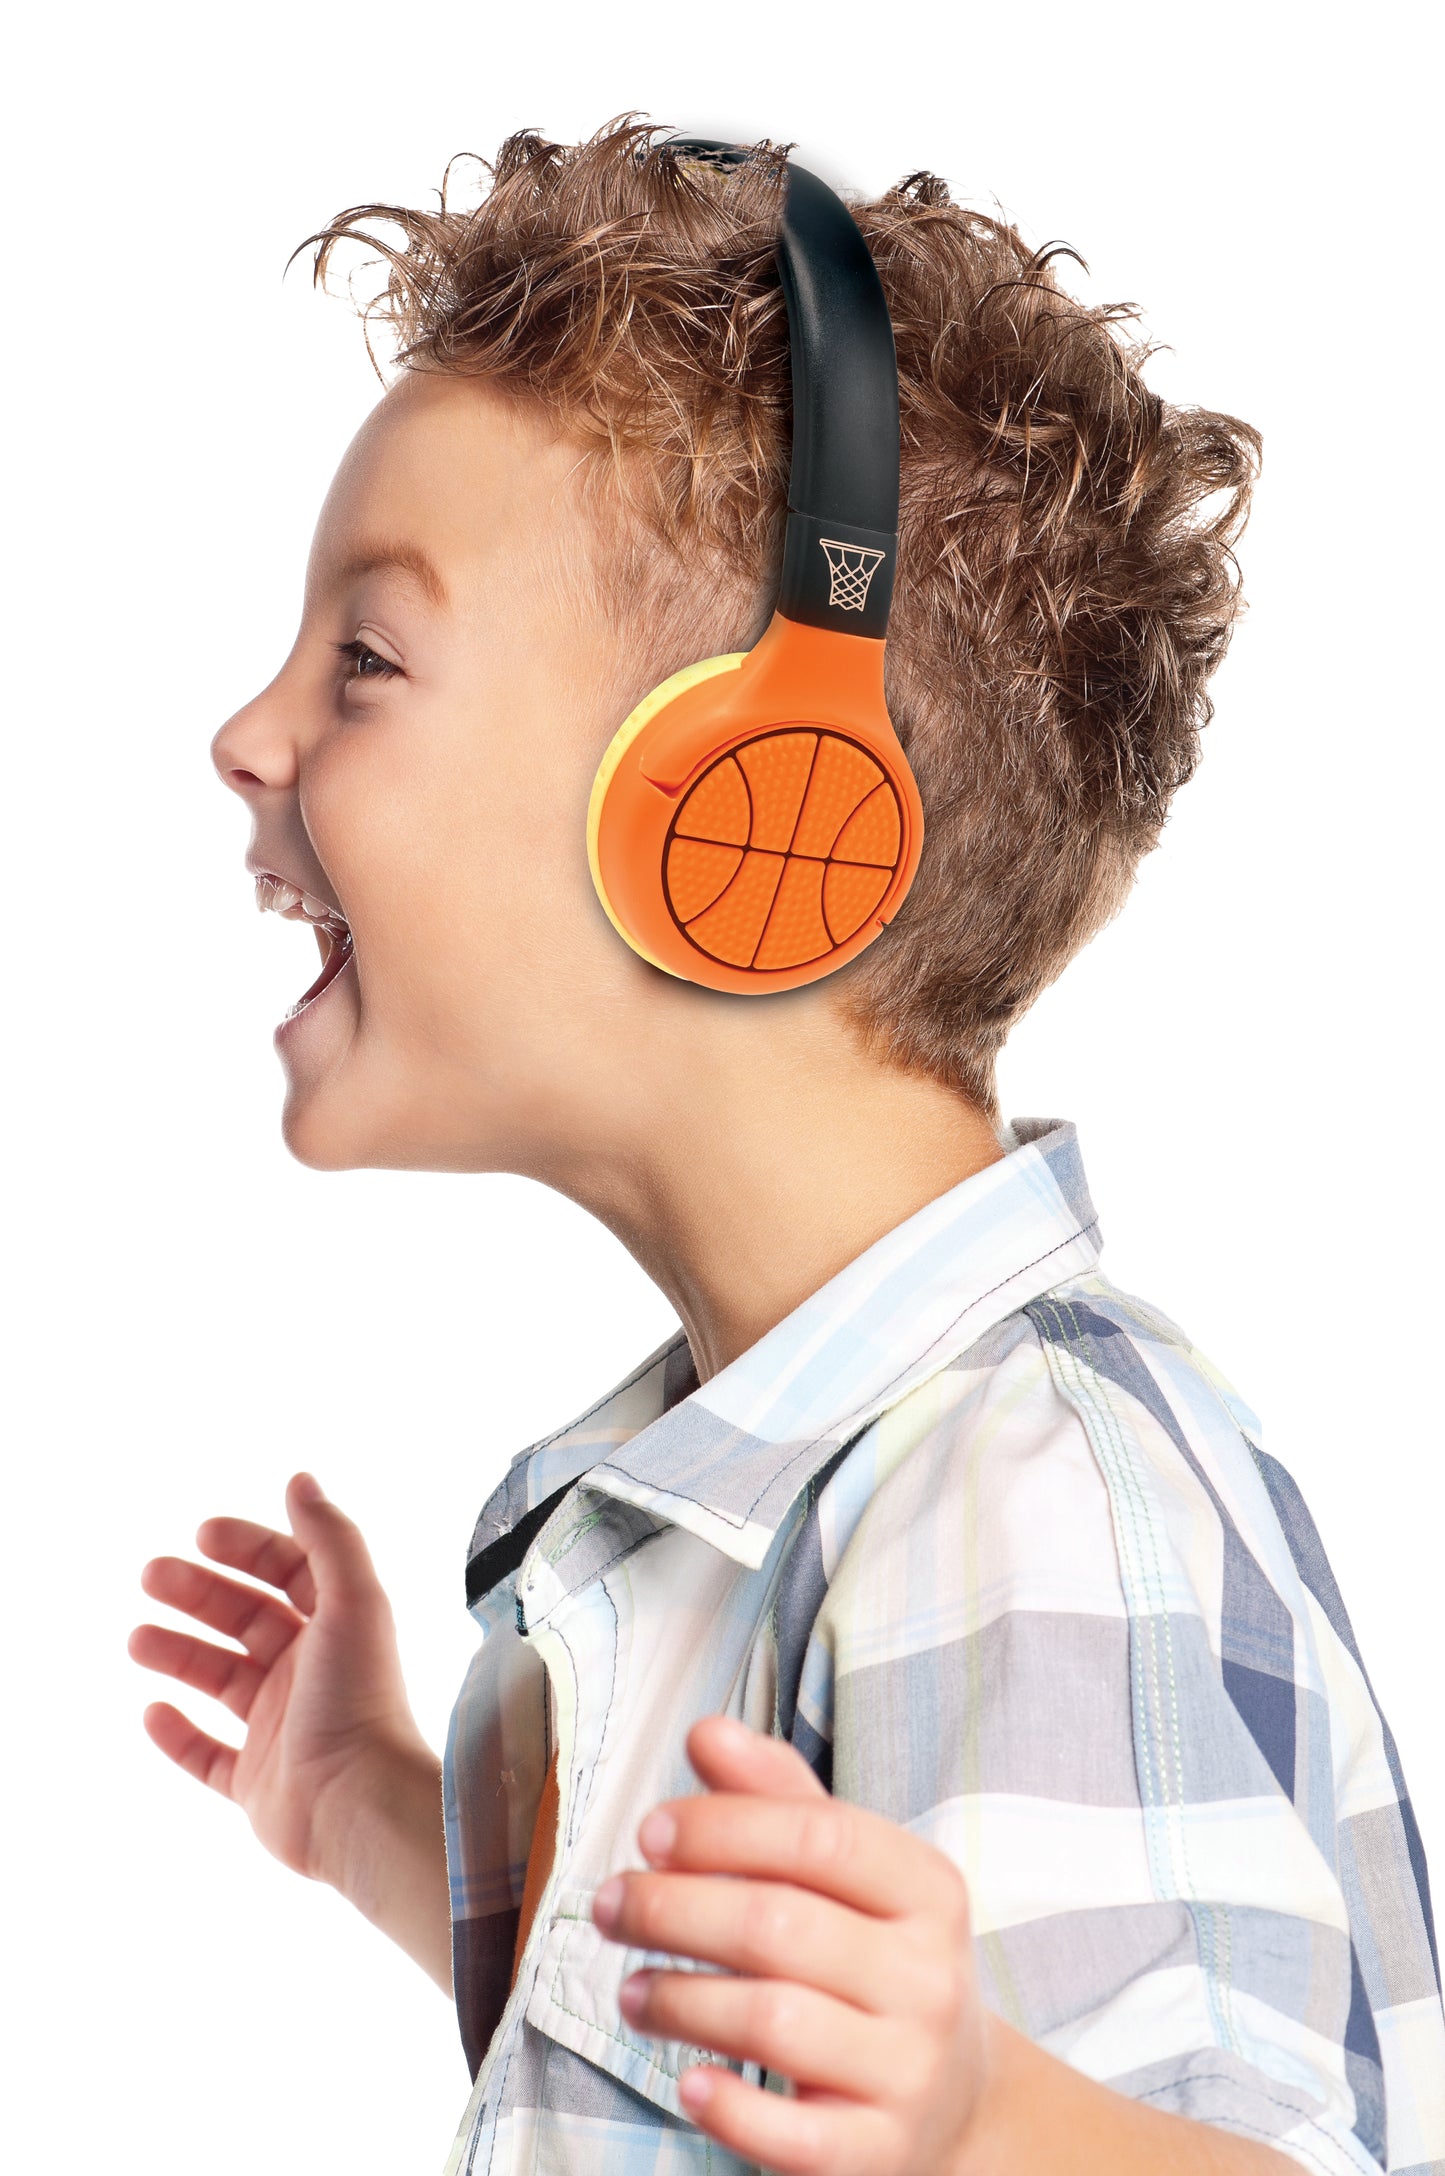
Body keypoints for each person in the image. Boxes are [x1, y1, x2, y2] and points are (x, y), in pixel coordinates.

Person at [129, 119, 1444, 2175]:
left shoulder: (1024, 1496)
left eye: (365, 660)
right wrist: (371, 1811)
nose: (248, 733)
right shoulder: (785, 1484)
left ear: (752, 817)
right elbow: (710, 2069)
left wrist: (989, 2115)